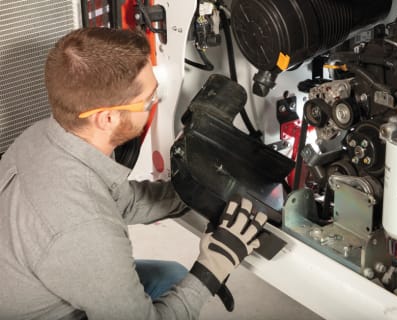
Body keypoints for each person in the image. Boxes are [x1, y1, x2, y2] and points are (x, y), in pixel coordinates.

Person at [0, 27, 267, 319]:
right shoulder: (85, 230)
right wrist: (213, 266)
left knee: (173, 277)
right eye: (149, 100)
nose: (156, 103)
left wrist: (194, 189)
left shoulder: (46, 135)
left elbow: (120, 201)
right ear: (108, 118)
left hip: (40, 278)